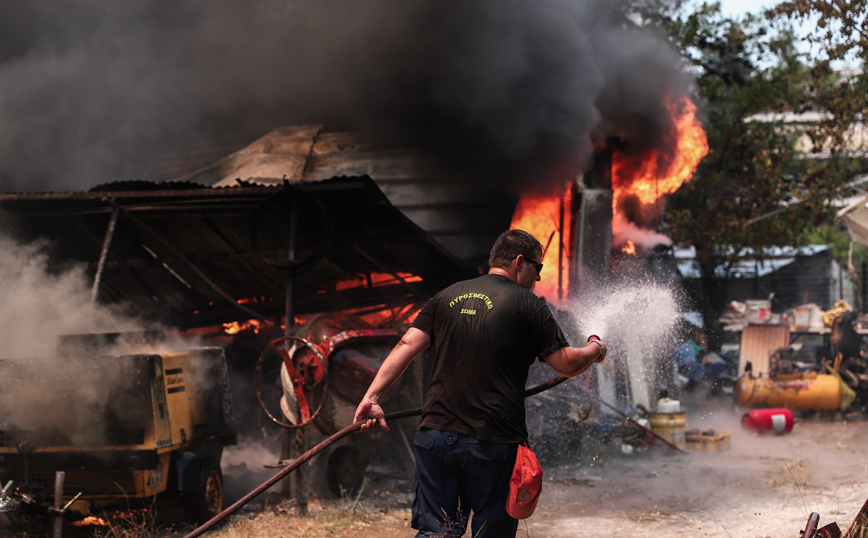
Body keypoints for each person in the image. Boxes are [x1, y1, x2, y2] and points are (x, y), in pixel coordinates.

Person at [353, 229, 607, 537]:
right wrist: (595, 348)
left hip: (435, 437)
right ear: (519, 262)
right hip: (492, 443)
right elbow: (566, 364)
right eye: (537, 268)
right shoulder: (528, 304)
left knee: (438, 532)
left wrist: (372, 398)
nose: (538, 279)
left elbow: (406, 344)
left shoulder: (445, 296)